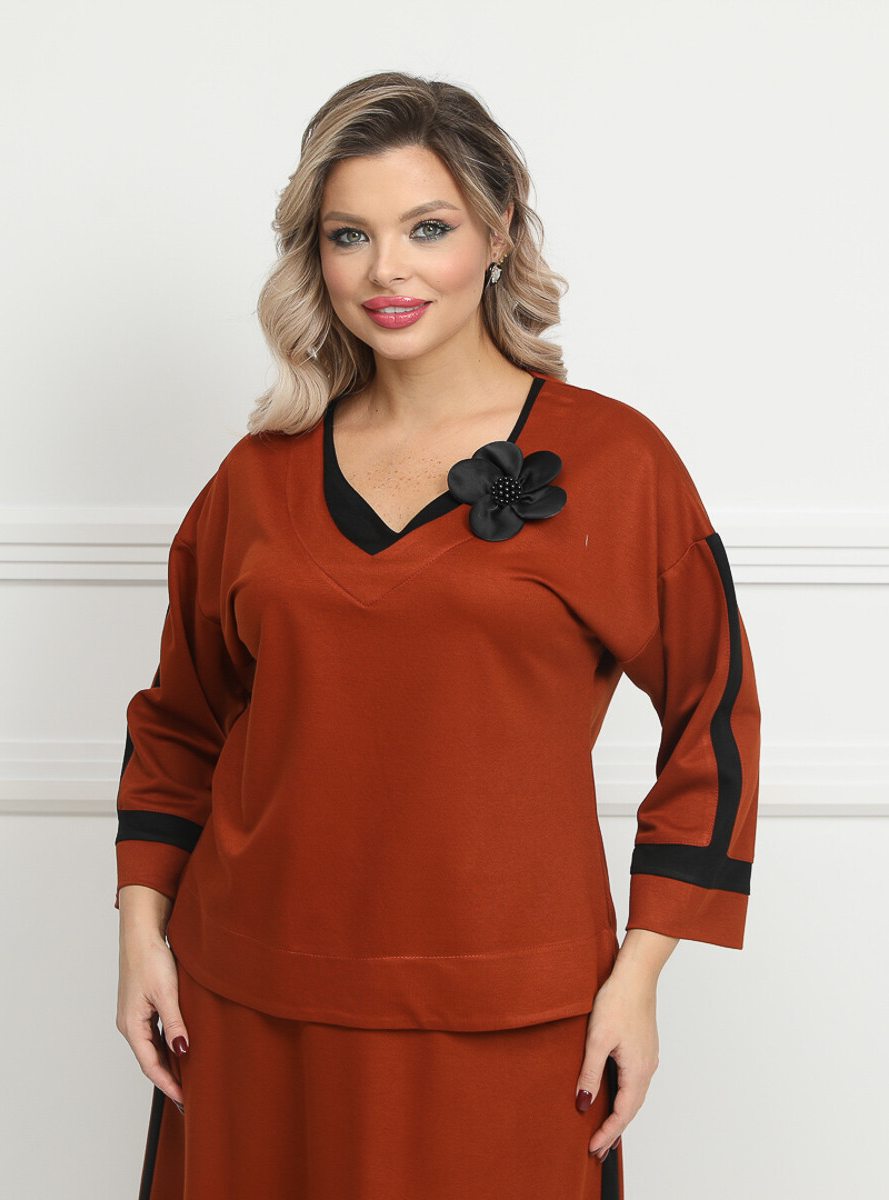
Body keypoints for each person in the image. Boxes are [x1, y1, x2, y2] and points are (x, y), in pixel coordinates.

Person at [114, 70, 761, 1200]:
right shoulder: (255, 479)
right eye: (349, 235)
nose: (387, 271)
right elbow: (179, 724)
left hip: (512, 1012)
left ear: (498, 232)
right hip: (249, 997)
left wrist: (639, 974)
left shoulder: (619, 463)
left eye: (428, 228)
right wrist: (139, 940)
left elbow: (716, 718)